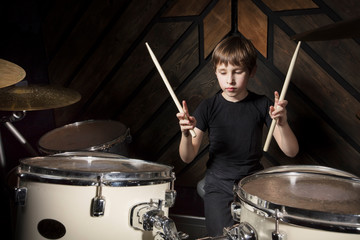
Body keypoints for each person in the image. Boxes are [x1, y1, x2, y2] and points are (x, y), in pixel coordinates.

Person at [176, 36, 299, 237]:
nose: (230, 80)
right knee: (222, 237)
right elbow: (187, 157)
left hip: (252, 184)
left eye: (238, 72)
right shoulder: (208, 107)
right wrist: (185, 134)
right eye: (223, 72)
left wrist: (282, 123)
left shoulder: (262, 104)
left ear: (252, 72)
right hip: (217, 184)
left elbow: (291, 151)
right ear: (215, 71)